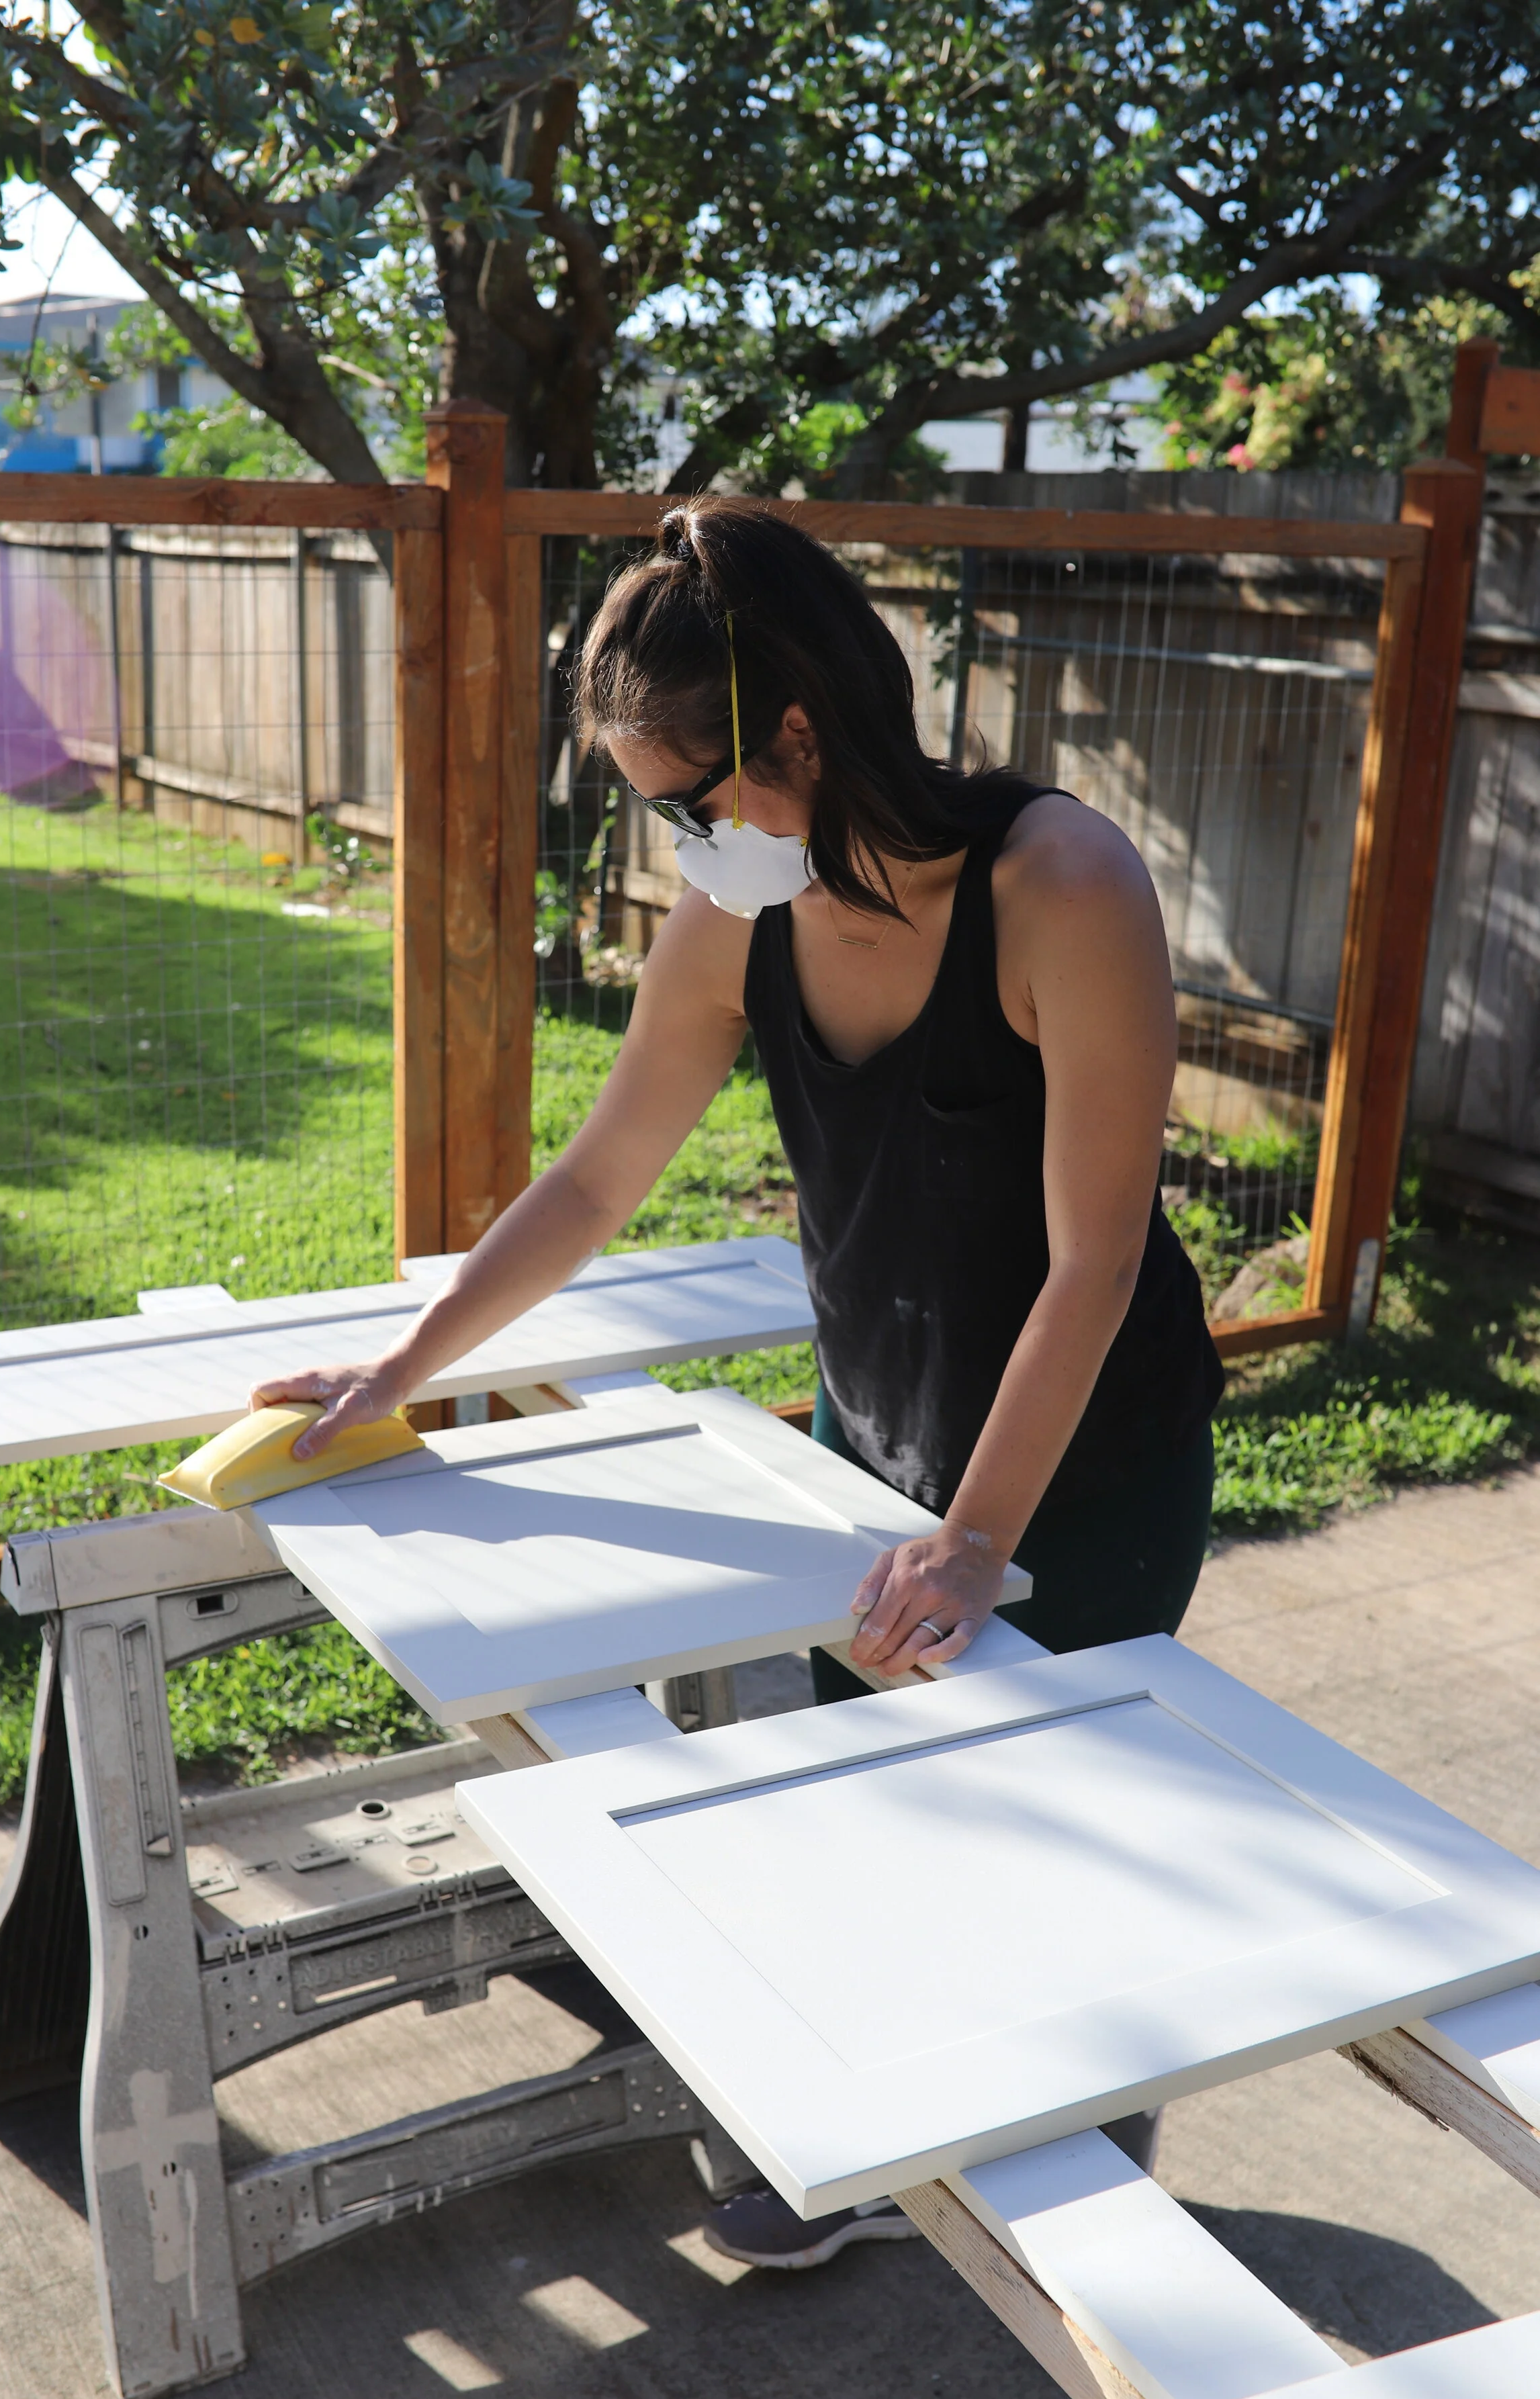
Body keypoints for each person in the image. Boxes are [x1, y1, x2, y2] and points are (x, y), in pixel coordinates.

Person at [251, 498, 1224, 2270]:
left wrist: (972, 1534)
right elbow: (597, 1176)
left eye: (688, 805)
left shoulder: (1060, 885)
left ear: (796, 736)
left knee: (1057, 1812)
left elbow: (1090, 1261)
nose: (678, 849)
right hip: (881, 1423)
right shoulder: (736, 912)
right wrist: (396, 1364)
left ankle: (1087, 2103)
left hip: (1086, 1451)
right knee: (875, 1791)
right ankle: (872, 2142)